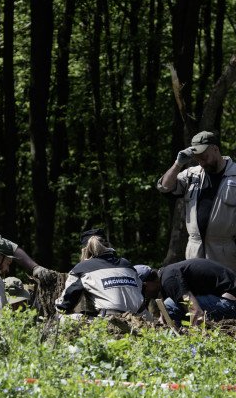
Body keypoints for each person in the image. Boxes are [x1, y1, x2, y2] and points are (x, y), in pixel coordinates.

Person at [156, 130, 236, 271]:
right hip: (195, 248)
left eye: (204, 157)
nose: (201, 162)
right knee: (197, 291)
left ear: (215, 149)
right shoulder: (192, 175)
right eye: (197, 158)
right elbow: (165, 187)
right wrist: (178, 164)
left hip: (226, 250)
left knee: (226, 291)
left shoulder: (234, 175)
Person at [55, 235, 143, 316]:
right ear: (109, 246)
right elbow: (140, 289)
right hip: (139, 318)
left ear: (85, 250)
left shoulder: (82, 268)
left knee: (62, 317)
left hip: (110, 320)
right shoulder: (127, 264)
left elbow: (64, 304)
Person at [138, 258, 236, 325]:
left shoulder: (169, 280)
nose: (146, 295)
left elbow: (196, 311)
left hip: (231, 304)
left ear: (147, 284)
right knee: (169, 306)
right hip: (226, 300)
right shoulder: (166, 275)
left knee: (170, 306)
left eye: (143, 291)